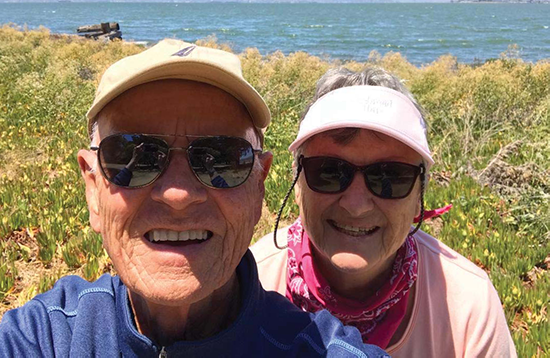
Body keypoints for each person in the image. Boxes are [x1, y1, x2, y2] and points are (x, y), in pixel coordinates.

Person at [0, 40, 389, 357]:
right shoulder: (41, 339)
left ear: (259, 187)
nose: (178, 194)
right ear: (92, 188)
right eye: (135, 157)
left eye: (220, 158)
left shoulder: (320, 351)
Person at [251, 67, 517, 357]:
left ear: (420, 196)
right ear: (298, 183)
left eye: (389, 177)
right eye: (329, 172)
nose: (356, 204)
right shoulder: (247, 285)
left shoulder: (468, 308)